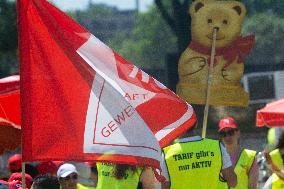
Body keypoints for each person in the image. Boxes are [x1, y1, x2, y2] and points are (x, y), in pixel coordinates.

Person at [161, 121, 237, 189]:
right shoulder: (216, 147)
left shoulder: (168, 154)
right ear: (196, 124)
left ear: (176, 126)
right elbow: (233, 182)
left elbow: (165, 186)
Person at [217, 117, 258, 189]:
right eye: (223, 134)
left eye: (230, 132)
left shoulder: (250, 157)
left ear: (238, 133)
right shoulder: (215, 157)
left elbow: (253, 187)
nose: (227, 137)